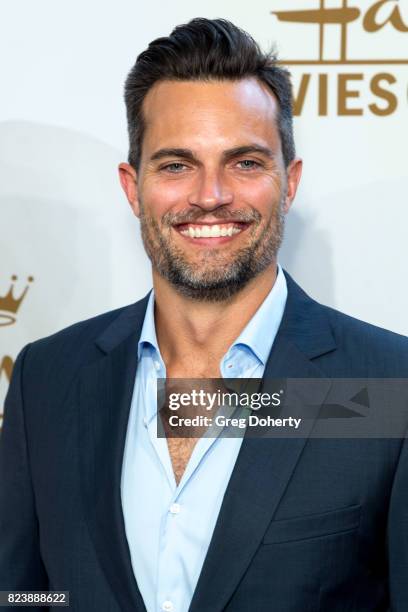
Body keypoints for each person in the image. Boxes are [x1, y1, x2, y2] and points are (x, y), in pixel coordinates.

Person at [0, 17, 407, 612]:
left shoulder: (386, 387)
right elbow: (25, 595)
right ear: (132, 187)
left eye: (244, 162)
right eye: (175, 165)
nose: (210, 194)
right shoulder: (46, 379)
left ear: (288, 183)